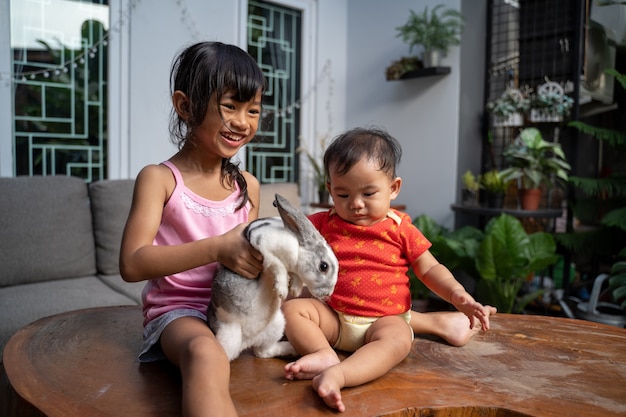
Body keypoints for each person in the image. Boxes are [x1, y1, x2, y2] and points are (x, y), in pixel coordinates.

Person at [282, 127, 496, 413]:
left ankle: (341, 374)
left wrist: (456, 293)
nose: (355, 204)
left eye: (369, 193)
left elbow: (429, 267)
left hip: (383, 322)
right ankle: (323, 354)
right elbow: (285, 238)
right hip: (333, 318)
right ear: (330, 189)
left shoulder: (399, 228)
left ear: (393, 188)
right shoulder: (322, 223)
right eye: (343, 194)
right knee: (294, 310)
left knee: (398, 339)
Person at [119, 41, 266, 417]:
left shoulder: (247, 186)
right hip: (180, 313)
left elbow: (245, 266)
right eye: (230, 106)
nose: (242, 122)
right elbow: (132, 264)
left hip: (234, 311)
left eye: (253, 110)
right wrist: (217, 247)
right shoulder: (159, 179)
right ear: (185, 106)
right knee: (205, 353)